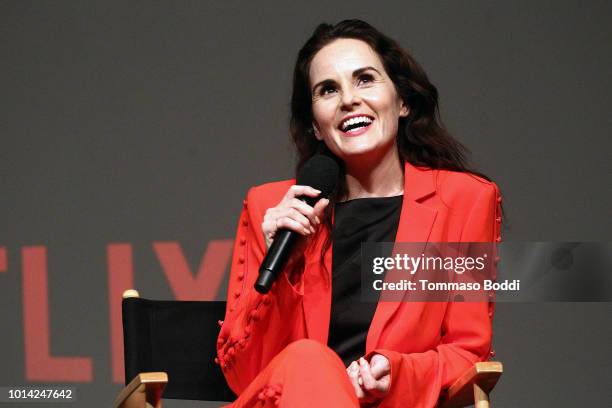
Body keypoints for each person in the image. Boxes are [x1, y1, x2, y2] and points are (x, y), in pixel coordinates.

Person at [216, 19, 502, 408]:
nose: (348, 99)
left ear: (402, 102)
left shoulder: (463, 201)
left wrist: (395, 372)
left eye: (365, 79)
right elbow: (244, 374)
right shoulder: (273, 208)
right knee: (308, 359)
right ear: (316, 125)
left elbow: (468, 354)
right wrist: (282, 268)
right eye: (328, 90)